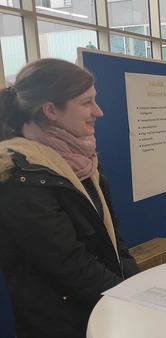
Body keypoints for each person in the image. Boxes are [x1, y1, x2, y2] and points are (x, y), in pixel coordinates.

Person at [0, 59, 140, 337]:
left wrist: (138, 286)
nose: (98, 112)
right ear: (50, 110)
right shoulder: (19, 175)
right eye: (86, 102)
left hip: (101, 309)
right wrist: (129, 300)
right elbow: (67, 262)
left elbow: (113, 240)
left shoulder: (83, 163)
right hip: (62, 324)